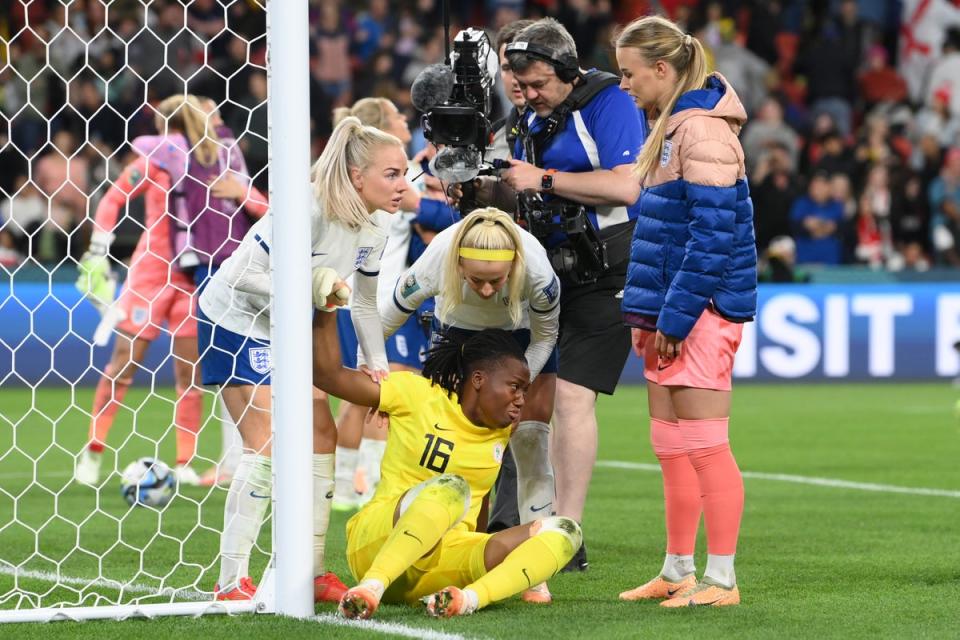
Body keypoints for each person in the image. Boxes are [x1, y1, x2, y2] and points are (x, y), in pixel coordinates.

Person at [196, 116, 407, 602]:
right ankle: (230, 581)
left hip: (289, 323)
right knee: (265, 443)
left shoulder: (378, 223)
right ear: (358, 177)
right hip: (237, 319)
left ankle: (312, 571)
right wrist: (312, 289)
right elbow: (243, 273)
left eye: (402, 173)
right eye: (391, 174)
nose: (402, 185)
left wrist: (378, 366)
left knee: (321, 433)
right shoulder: (306, 207)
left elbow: (363, 302)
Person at [310, 307, 581, 620]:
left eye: (524, 390)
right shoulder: (416, 393)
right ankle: (371, 587)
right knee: (453, 487)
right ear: (479, 379)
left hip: (438, 569)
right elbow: (329, 376)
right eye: (514, 387)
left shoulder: (502, 431)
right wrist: (327, 310)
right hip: (377, 544)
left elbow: (479, 504)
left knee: (565, 530)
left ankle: (465, 599)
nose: (521, 399)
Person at [616, 15, 757, 607]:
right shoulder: (670, 128)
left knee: (704, 444)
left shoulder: (702, 132)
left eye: (629, 73)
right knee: (670, 445)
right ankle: (677, 568)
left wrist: (673, 318)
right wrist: (645, 313)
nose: (623, 84)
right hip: (669, 310)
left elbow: (711, 239)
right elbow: (663, 233)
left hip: (700, 310)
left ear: (662, 70)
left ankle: (721, 579)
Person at [502, 17, 646, 572]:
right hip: (547, 270)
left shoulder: (608, 101)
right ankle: (519, 518)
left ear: (567, 70)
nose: (531, 95)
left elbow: (625, 185)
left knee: (571, 398)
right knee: (526, 395)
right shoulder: (529, 114)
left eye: (539, 84)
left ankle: (566, 531)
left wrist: (539, 179)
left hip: (609, 269)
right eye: (523, 86)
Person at [73, 94, 260, 487]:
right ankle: (92, 451)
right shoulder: (156, 162)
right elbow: (113, 199)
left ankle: (184, 462)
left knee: (189, 375)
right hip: (150, 273)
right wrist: (97, 250)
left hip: (192, 274)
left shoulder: (214, 162)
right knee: (124, 364)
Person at [381, 207, 560, 602]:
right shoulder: (435, 259)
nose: (484, 290)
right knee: (454, 451)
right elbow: (386, 317)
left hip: (524, 337)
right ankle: (450, 551)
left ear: (514, 266)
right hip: (459, 335)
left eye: (494, 281)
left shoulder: (540, 275)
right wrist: (373, 371)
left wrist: (516, 388)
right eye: (474, 279)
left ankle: (535, 572)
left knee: (530, 443)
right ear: (457, 263)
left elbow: (547, 337)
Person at [328, 97, 452, 512]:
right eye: (398, 116)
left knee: (358, 399)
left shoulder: (384, 180)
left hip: (355, 302)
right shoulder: (397, 187)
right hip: (379, 305)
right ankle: (375, 490)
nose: (405, 120)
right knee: (389, 394)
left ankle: (345, 485)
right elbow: (441, 220)